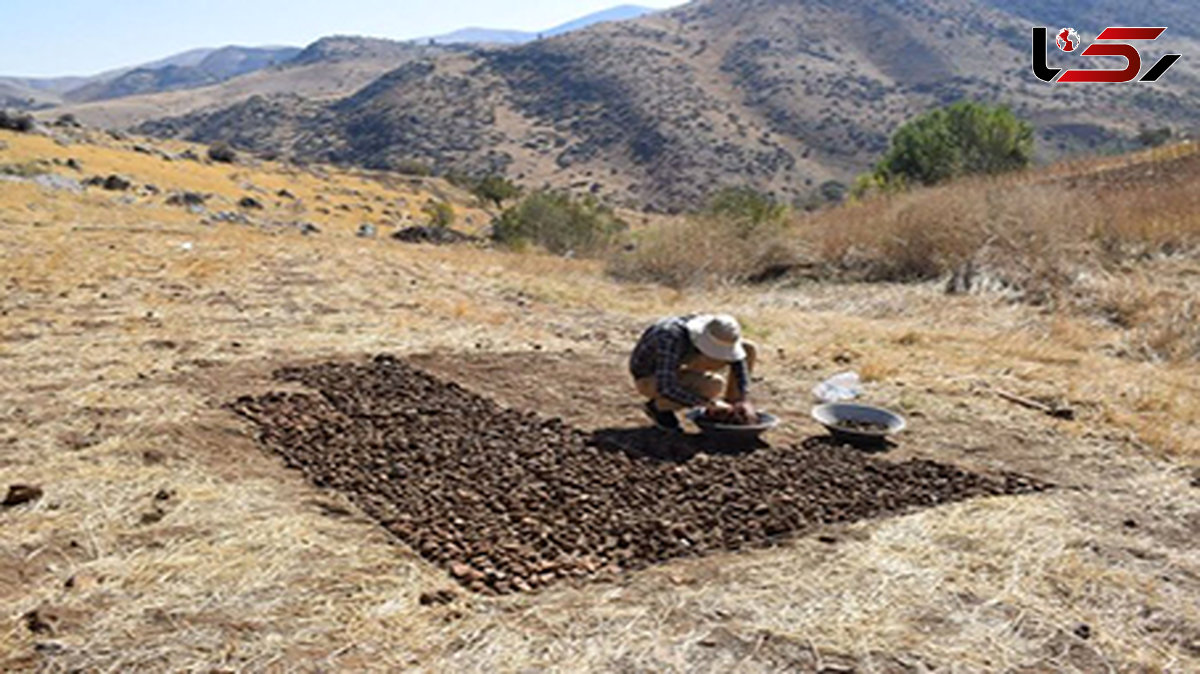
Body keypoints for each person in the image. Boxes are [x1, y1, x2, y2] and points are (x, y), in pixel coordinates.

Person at [629, 314, 758, 431]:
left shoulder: (712, 328)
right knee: (712, 385)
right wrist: (708, 404)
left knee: (748, 348)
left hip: (680, 362)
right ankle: (658, 407)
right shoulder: (669, 337)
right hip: (651, 376)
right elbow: (666, 387)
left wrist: (743, 398)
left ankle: (732, 406)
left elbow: (739, 361)